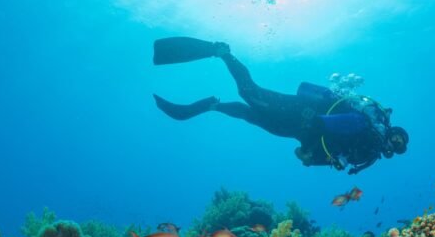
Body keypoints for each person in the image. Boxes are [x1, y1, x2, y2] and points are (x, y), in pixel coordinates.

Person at [152, 37, 409, 175]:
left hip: (298, 131)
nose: (394, 144)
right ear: (390, 130)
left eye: (398, 147)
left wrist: (307, 157)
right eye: (397, 137)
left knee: (248, 114)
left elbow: (332, 157)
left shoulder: (368, 155)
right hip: (302, 113)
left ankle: (211, 106)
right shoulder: (369, 126)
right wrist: (318, 124)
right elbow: (347, 122)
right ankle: (222, 52)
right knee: (250, 92)